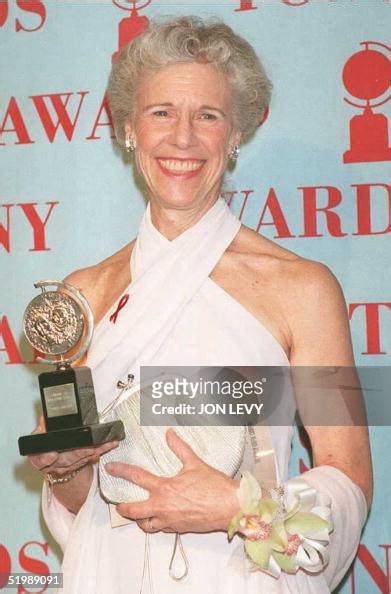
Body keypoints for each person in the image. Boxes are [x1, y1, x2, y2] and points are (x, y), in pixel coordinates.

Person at [27, 16, 372, 594]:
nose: (182, 138)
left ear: (235, 134)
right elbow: (85, 497)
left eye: (207, 116)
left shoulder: (303, 288)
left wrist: (238, 504)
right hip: (108, 574)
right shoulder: (81, 296)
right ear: (128, 129)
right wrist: (68, 465)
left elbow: (350, 477)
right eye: (161, 112)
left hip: (239, 575)